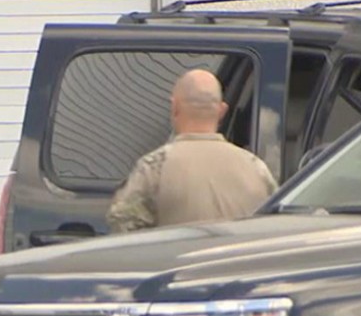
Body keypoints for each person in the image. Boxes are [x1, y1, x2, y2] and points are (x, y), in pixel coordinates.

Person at [106, 69, 278, 232]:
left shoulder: (154, 168)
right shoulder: (257, 169)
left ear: (175, 107)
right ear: (222, 110)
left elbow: (123, 229)